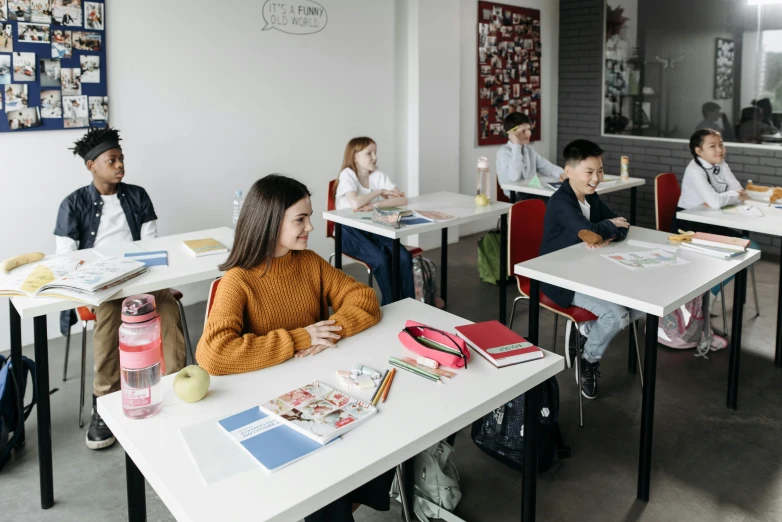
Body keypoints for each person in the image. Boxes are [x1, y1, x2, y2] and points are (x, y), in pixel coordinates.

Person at [196, 174, 392, 522]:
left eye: (309, 216)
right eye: (300, 219)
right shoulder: (238, 280)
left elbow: (363, 297)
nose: (311, 226)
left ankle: (350, 497)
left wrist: (332, 331)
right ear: (271, 223)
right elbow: (214, 354)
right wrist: (301, 337)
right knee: (325, 481)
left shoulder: (309, 261)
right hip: (267, 406)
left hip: (315, 392)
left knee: (385, 434)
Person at [54, 127, 186, 449]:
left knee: (167, 308)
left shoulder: (138, 196)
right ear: (91, 166)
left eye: (121, 159)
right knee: (111, 312)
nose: (119, 165)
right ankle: (105, 401)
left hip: (143, 279)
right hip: (102, 287)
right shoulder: (73, 204)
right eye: (112, 160)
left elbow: (153, 244)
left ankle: (178, 387)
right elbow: (64, 257)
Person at [539, 139, 642, 399]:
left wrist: (605, 232)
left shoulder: (591, 198)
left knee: (643, 304)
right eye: (589, 172)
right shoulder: (561, 202)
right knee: (617, 317)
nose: (596, 178)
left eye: (600, 170)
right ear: (569, 171)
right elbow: (595, 231)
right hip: (559, 279)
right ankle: (589, 359)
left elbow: (622, 224)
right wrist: (602, 230)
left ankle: (585, 333)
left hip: (588, 272)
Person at [673, 128, 761, 300]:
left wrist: (722, 197)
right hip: (689, 227)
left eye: (721, 144)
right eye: (712, 146)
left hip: (710, 221)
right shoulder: (695, 170)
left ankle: (709, 292)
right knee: (751, 248)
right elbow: (720, 200)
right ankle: (709, 296)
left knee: (748, 247)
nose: (719, 150)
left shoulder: (720, 163)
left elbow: (738, 189)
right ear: (699, 151)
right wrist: (727, 197)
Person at [334, 137, 415, 305]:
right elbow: (355, 202)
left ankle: (408, 305)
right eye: (369, 153)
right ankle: (392, 306)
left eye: (375, 152)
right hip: (348, 231)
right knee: (380, 260)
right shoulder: (347, 174)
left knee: (404, 257)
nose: (375, 157)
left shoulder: (377, 174)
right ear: (355, 156)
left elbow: (401, 199)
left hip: (373, 225)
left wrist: (374, 205)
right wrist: (379, 191)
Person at [496, 112, 565, 199]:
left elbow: (547, 167)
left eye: (529, 129)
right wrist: (516, 145)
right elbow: (514, 177)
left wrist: (563, 173)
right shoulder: (503, 153)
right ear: (512, 133)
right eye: (523, 131)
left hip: (532, 191)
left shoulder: (529, 151)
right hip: (517, 196)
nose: (529, 134)